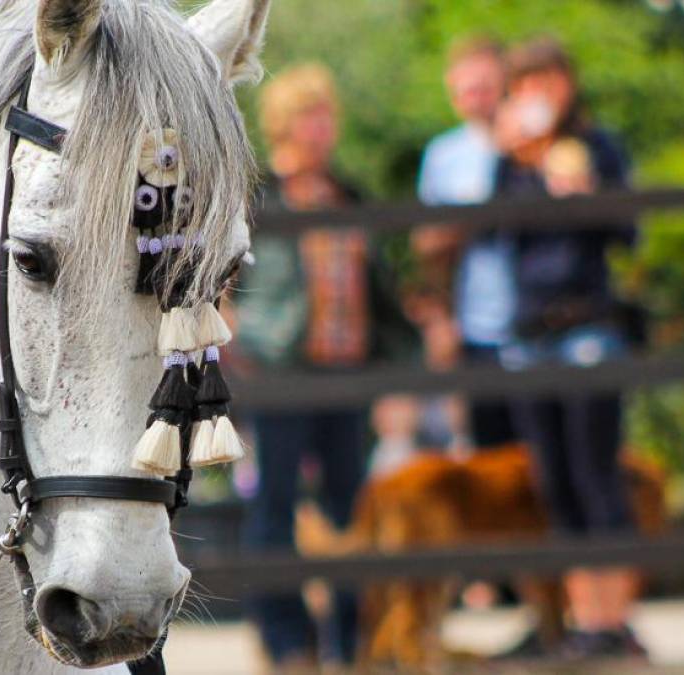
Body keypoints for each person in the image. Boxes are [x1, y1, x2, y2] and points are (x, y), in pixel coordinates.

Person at [233, 63, 415, 672]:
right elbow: (223, 282)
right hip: (280, 373)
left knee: (350, 510)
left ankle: (347, 642)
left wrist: (398, 369)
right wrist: (241, 346)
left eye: (328, 115)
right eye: (312, 115)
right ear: (285, 123)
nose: (323, 128)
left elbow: (381, 294)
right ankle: (288, 644)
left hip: (347, 376)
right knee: (275, 508)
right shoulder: (257, 193)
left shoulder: (349, 195)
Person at [492, 36, 644, 659]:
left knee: (597, 475)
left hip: (589, 330)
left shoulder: (599, 146)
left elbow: (627, 231)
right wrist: (523, 165)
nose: (540, 94)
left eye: (548, 81)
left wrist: (583, 191)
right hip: (531, 337)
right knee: (556, 483)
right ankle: (585, 621)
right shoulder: (512, 160)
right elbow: (498, 234)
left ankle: (611, 621)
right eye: (527, 84)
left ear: (568, 85)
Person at [414, 35, 520, 452]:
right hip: (478, 327)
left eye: (484, 87)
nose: (474, 99)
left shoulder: (533, 140)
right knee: (491, 456)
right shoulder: (444, 155)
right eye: (464, 91)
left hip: (536, 329)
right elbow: (427, 247)